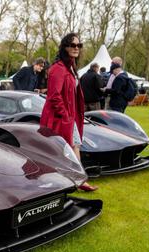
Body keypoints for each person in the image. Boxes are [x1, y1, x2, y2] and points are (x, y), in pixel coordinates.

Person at [40, 33, 97, 192]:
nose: (76, 48)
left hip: (69, 115)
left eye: (79, 45)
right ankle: (78, 180)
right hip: (59, 117)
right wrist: (65, 115)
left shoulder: (70, 67)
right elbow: (54, 95)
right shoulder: (58, 69)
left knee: (73, 145)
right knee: (66, 147)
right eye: (72, 45)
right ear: (65, 47)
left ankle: (77, 179)